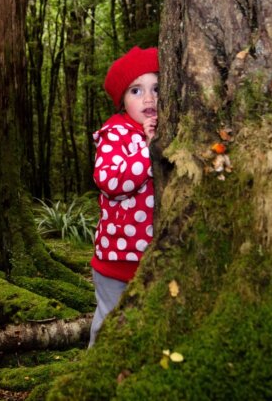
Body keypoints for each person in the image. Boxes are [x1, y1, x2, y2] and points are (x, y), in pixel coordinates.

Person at [88, 46, 158, 347]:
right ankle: (92, 374)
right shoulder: (115, 133)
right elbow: (110, 181)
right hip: (117, 259)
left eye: (157, 88)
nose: (149, 98)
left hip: (155, 257)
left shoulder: (162, 128)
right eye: (136, 90)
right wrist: (147, 149)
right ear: (122, 101)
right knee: (108, 324)